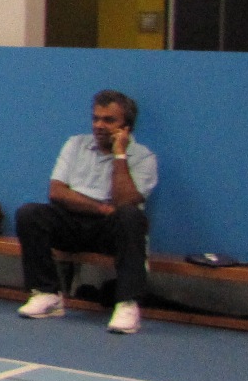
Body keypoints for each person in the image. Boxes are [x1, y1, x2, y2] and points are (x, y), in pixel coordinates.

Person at [15, 89, 158, 335]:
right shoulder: (75, 144)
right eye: (96, 118)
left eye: (109, 120)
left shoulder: (144, 158)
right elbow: (57, 192)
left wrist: (120, 155)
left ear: (127, 127)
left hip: (111, 231)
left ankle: (127, 304)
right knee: (30, 214)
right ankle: (48, 294)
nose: (99, 125)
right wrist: (100, 207)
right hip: (74, 221)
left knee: (131, 217)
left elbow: (124, 201)